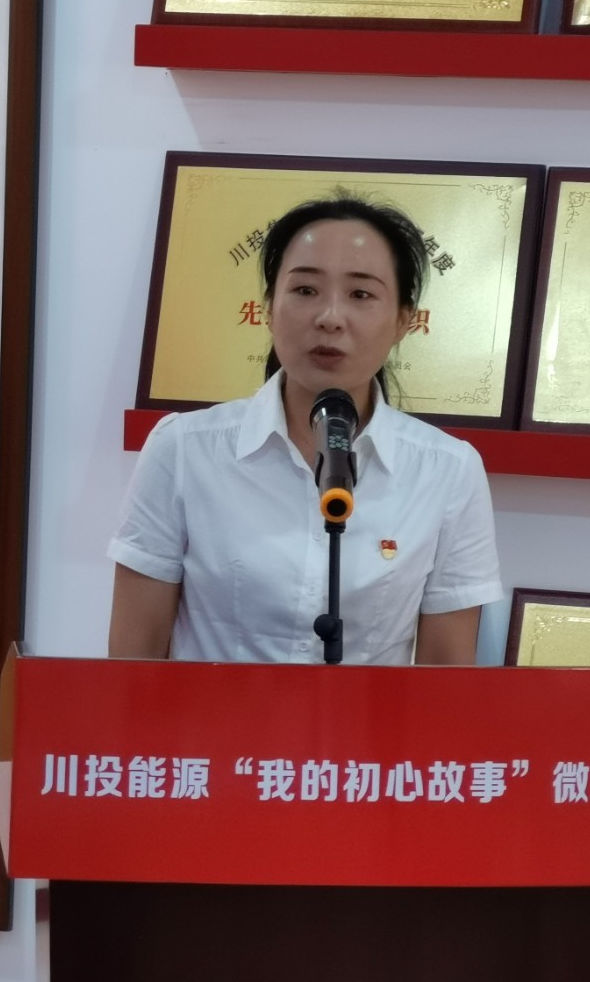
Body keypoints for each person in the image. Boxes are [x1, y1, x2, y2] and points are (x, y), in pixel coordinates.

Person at [107, 189, 503, 665]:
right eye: (305, 290)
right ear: (268, 308)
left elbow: (446, 677)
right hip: (212, 717)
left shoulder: (448, 470)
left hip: (367, 719)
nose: (330, 318)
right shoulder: (183, 449)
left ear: (404, 320)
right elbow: (133, 659)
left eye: (361, 294)